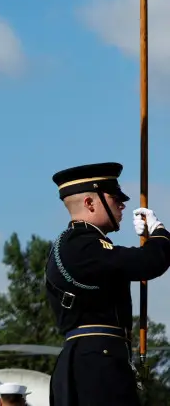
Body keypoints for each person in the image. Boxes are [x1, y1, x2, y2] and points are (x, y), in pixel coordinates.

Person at [44, 161, 170, 406]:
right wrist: (160, 234)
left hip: (85, 360)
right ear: (90, 203)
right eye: (114, 198)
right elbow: (148, 263)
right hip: (98, 364)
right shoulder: (84, 245)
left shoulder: (71, 244)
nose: (122, 204)